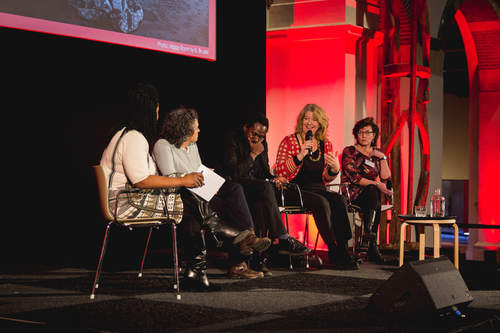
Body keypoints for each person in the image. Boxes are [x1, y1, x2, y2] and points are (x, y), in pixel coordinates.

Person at [153, 107, 271, 279]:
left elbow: (199, 169)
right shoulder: (163, 145)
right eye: (196, 127)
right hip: (183, 196)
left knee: (235, 189)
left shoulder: (192, 145)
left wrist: (210, 177)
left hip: (199, 189)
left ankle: (248, 238)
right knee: (232, 210)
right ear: (184, 128)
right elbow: (170, 179)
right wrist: (193, 179)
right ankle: (240, 260)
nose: (199, 130)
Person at [217, 113, 310, 275]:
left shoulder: (262, 143)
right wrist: (253, 154)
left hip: (254, 187)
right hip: (234, 187)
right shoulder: (232, 140)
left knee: (262, 202)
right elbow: (234, 173)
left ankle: (257, 261)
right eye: (254, 134)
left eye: (261, 136)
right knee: (265, 190)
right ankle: (282, 237)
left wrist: (275, 179)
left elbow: (264, 172)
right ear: (245, 128)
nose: (257, 138)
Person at [275, 104, 359, 270]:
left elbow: (326, 178)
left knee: (339, 200)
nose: (309, 122)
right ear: (301, 121)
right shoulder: (290, 141)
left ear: (320, 123)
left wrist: (335, 169)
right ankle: (333, 248)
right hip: (294, 189)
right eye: (306, 118)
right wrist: (300, 155)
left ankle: (342, 248)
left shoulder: (325, 144)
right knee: (321, 202)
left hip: (318, 188)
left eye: (314, 119)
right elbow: (280, 170)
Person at [341, 117, 393, 264]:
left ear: (374, 135)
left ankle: (369, 235)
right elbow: (354, 177)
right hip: (351, 193)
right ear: (356, 135)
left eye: (367, 132)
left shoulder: (377, 154)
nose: (363, 135)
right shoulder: (349, 151)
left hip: (370, 196)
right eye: (360, 132)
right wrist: (376, 184)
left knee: (373, 191)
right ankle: (371, 243)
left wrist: (382, 158)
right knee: (373, 189)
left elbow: (385, 177)